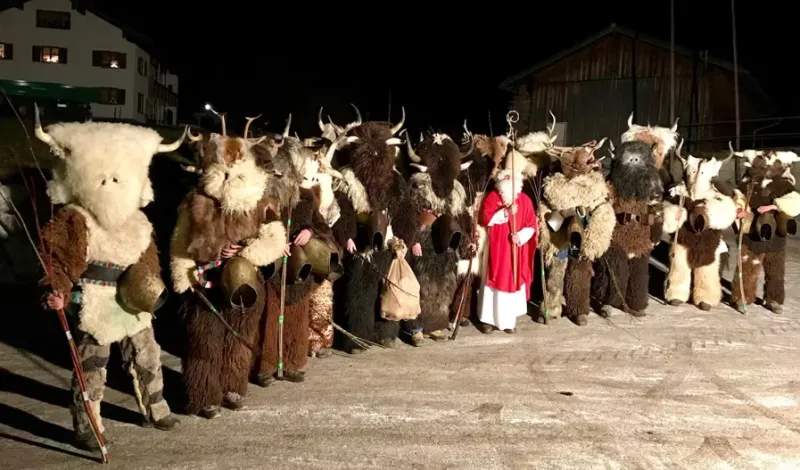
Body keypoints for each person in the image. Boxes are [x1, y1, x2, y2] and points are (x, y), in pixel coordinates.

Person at [477, 169, 537, 334]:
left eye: (512, 180)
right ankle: (488, 321)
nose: (509, 183)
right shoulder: (492, 197)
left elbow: (532, 224)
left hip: (516, 251)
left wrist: (521, 236)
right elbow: (485, 218)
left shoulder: (525, 200)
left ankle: (509, 321)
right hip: (497, 249)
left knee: (512, 281)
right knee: (493, 280)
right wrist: (505, 212)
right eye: (505, 180)